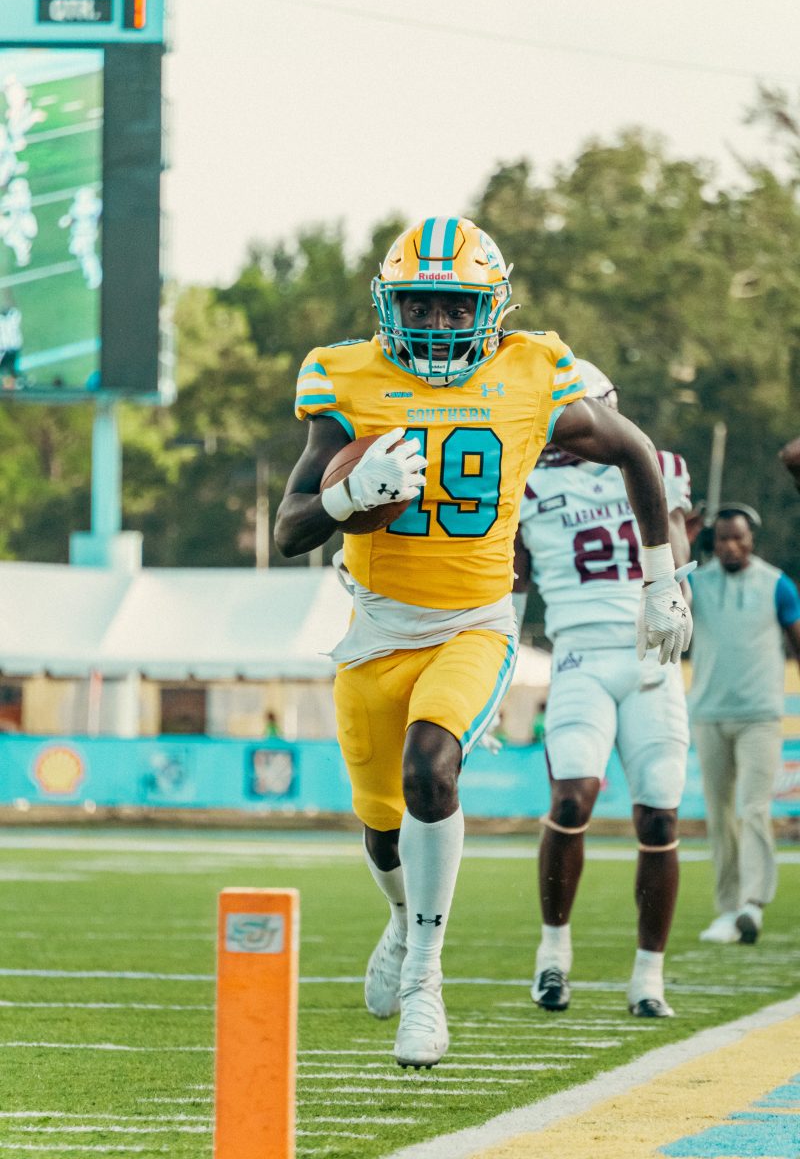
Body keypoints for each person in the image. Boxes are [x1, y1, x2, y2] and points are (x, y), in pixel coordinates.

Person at [274, 216, 693, 1069]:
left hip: (474, 625)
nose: (432, 324)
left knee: (433, 766)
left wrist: (661, 581)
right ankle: (401, 922)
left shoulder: (531, 370)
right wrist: (350, 502)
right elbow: (290, 530)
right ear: (391, 307)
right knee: (382, 827)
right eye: (418, 307)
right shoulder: (345, 376)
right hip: (376, 630)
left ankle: (426, 985)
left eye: (451, 307)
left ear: (491, 310)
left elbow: (636, 451)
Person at [514, 359, 693, 1018]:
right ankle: (553, 955)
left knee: (661, 815)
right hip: (580, 657)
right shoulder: (524, 487)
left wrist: (671, 589)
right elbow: (511, 583)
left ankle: (649, 976)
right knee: (572, 799)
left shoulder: (654, 465)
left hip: (651, 660)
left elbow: (671, 533)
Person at [690, 507, 800, 944]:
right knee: (720, 817)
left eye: (738, 538)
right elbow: (659, 590)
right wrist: (684, 535)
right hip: (709, 713)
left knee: (752, 808)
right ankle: (728, 908)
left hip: (760, 715)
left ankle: (753, 904)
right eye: (721, 540)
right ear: (713, 543)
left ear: (751, 538)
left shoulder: (778, 585)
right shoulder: (695, 582)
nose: (731, 546)